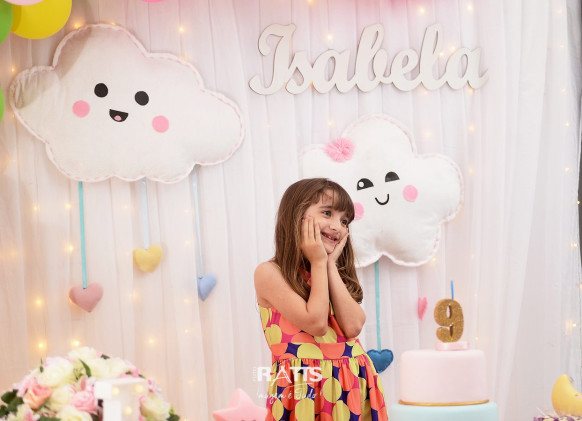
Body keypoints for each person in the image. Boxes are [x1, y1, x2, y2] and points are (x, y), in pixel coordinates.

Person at [255, 178, 388, 420]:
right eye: (327, 213)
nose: (337, 226)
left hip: (352, 384)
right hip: (305, 389)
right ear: (296, 215)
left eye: (344, 221)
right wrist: (318, 261)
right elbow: (316, 323)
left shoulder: (330, 273)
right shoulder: (270, 273)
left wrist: (329, 265)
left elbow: (353, 327)